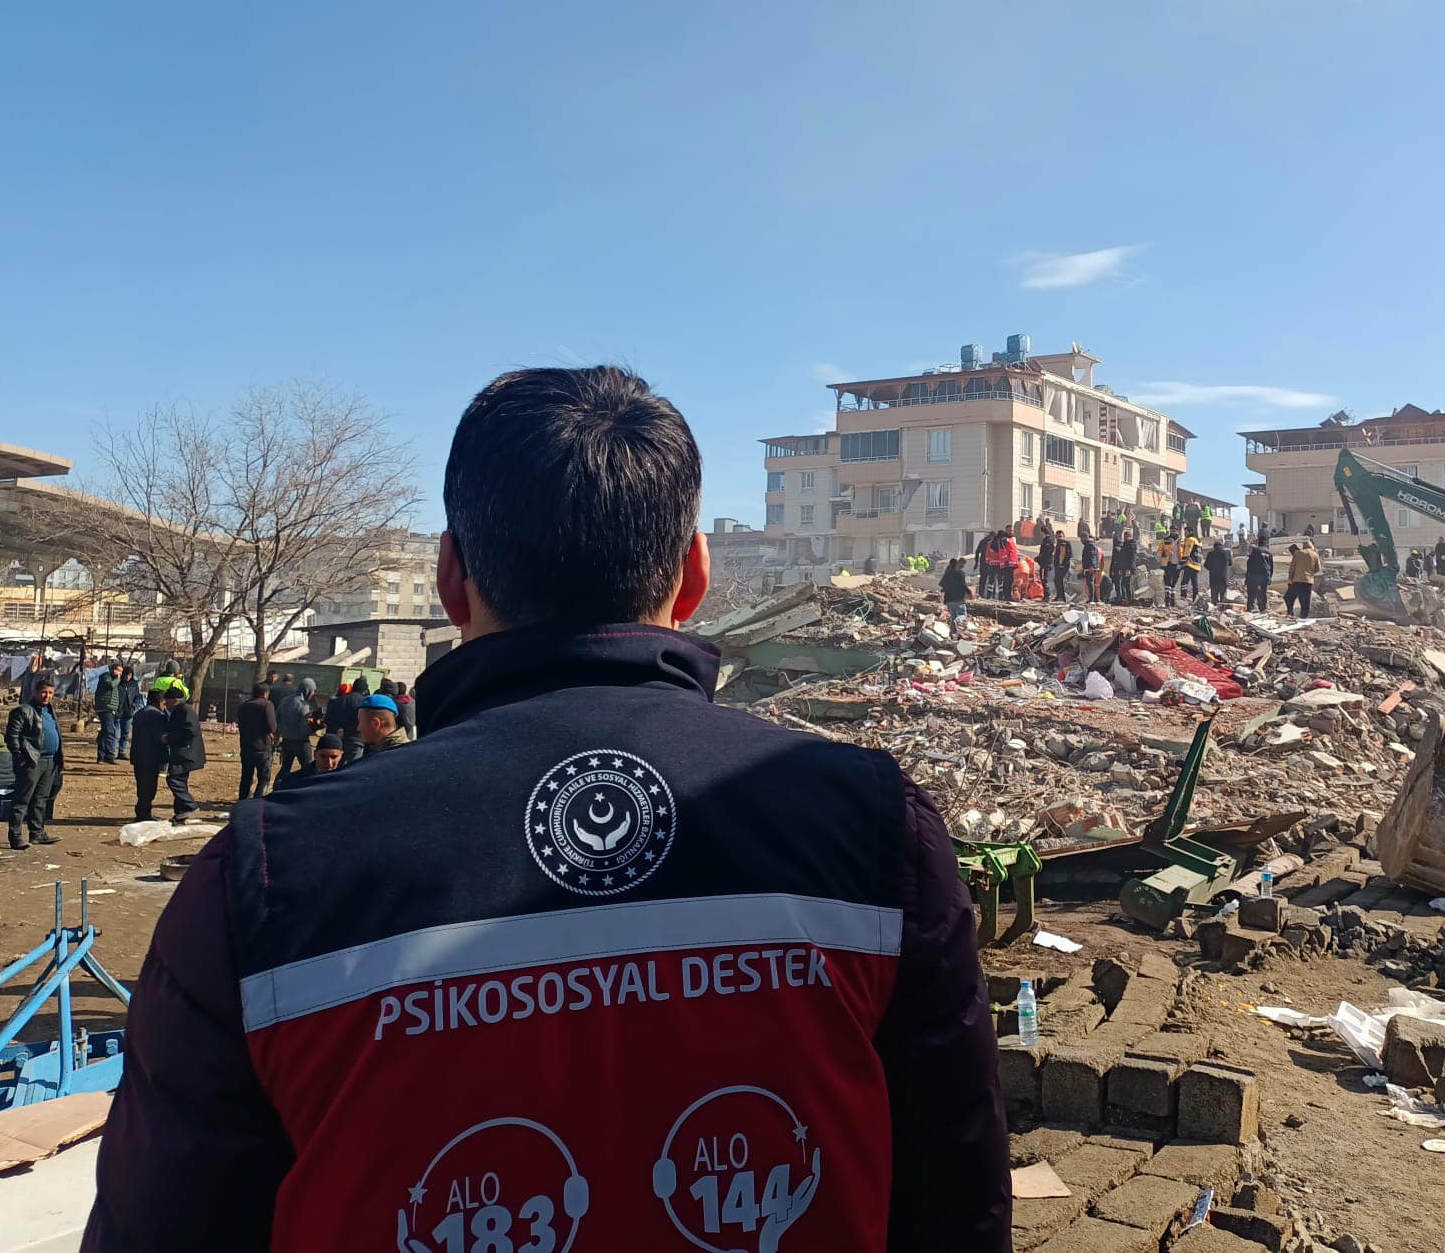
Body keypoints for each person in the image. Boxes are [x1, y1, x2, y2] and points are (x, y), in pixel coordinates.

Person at [82, 364, 1007, 1253]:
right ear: (694, 574)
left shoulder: (267, 880)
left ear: (452, 582)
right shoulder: (875, 833)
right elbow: (955, 1207)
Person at [5, 676, 63, 850]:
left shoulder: (50, 711)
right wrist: (20, 758)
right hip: (31, 762)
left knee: (41, 799)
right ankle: (15, 836)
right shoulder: (24, 711)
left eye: (50, 692)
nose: (47, 696)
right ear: (36, 692)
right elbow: (12, 737)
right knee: (23, 799)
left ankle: (37, 832)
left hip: (50, 762)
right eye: (44, 692)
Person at [160, 685, 205, 822]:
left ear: (174, 700)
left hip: (186, 752)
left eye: (166, 702)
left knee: (173, 779)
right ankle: (181, 812)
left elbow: (189, 731)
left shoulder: (185, 710)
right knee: (180, 781)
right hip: (182, 752)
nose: (165, 705)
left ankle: (190, 806)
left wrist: (169, 738)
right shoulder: (179, 710)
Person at [127, 689, 173, 822]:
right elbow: (160, 737)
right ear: (159, 702)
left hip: (138, 755)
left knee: (142, 785)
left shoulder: (139, 713)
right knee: (149, 787)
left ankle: (142, 812)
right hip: (151, 756)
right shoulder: (157, 716)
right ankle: (144, 814)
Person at [235, 682, 278, 800]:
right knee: (263, 778)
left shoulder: (243, 706)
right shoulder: (267, 705)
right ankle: (258, 802)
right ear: (266, 693)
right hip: (262, 747)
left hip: (246, 747)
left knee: (246, 777)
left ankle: (242, 801)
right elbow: (272, 727)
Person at [274, 676, 316, 786]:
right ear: (307, 691)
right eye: (312, 691)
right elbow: (303, 729)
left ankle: (277, 788)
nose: (313, 694)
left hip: (286, 741)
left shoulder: (285, 701)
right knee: (308, 769)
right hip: (301, 743)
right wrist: (314, 728)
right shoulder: (304, 705)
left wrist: (277, 738)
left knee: (285, 768)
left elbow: (277, 720)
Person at [354, 692, 411, 756]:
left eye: (360, 722)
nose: (358, 728)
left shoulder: (394, 755)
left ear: (376, 723)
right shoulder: (406, 750)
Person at [1285, 536, 1322, 619]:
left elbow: (1292, 567)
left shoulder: (1297, 553)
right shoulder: (1315, 554)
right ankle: (1304, 617)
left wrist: (1290, 578)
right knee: (1305, 600)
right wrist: (1310, 573)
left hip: (1297, 580)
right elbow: (1318, 569)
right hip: (1308, 581)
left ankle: (1290, 612)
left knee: (1288, 597)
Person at [93, 663, 122, 764]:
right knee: (109, 732)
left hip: (109, 708)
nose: (120, 673)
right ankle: (109, 756)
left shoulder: (113, 679)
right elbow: (111, 685)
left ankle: (101, 756)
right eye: (118, 670)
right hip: (105, 708)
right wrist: (118, 678)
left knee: (104, 732)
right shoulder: (106, 678)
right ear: (113, 670)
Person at [939, 555, 970, 633]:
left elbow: (942, 584)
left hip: (949, 599)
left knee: (953, 617)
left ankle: (952, 634)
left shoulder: (948, 572)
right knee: (962, 614)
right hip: (958, 598)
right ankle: (957, 621)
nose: (963, 566)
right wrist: (969, 592)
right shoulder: (960, 573)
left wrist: (944, 591)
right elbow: (963, 585)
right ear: (958, 563)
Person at [1245, 536, 1274, 613]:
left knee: (1251, 593)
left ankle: (1250, 608)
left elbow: (1250, 563)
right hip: (1265, 575)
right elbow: (1271, 566)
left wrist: (1247, 576)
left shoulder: (1255, 550)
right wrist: (1270, 578)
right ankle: (1263, 609)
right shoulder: (1269, 552)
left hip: (1255, 575)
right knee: (1263, 593)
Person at [1110, 527, 1136, 604]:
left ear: (1130, 537)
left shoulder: (1131, 545)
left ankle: (1129, 599)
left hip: (1128, 568)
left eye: (1127, 536)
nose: (1125, 538)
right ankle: (1127, 599)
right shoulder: (1125, 545)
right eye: (1124, 536)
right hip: (1123, 568)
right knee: (1124, 583)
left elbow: (1132, 558)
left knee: (1127, 583)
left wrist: (1129, 568)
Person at [1206, 533, 1232, 605]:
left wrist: (1212, 569)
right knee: (1223, 598)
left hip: (1213, 578)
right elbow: (1230, 563)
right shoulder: (1227, 553)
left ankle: (1214, 611)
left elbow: (1206, 565)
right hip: (1223, 578)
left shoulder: (1210, 554)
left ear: (1214, 547)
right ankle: (1221, 612)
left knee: (1214, 598)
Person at [1178, 533, 1202, 604]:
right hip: (1197, 566)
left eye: (1186, 531)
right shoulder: (1199, 542)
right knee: (1195, 585)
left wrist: (1180, 564)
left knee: (1184, 583)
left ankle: (1183, 599)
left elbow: (1187, 553)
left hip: (1189, 565)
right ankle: (1195, 600)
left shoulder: (1190, 539)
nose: (1185, 533)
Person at [1080, 531, 1101, 603]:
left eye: (1082, 538)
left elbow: (1092, 556)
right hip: (1090, 567)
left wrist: (1091, 566)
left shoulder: (1090, 545)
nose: (1081, 540)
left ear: (1085, 538)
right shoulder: (1090, 544)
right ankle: (1094, 598)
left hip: (1091, 567)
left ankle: (1091, 599)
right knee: (1091, 582)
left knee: (1090, 582)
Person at [1052, 530, 1072, 602]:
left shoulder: (1064, 543)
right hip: (1058, 565)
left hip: (1062, 565)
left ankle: (1062, 597)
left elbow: (1065, 555)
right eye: (1057, 537)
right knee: (1057, 580)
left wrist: (1062, 564)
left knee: (1059, 580)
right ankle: (1059, 596)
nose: (1059, 538)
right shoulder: (1058, 543)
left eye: (1060, 536)